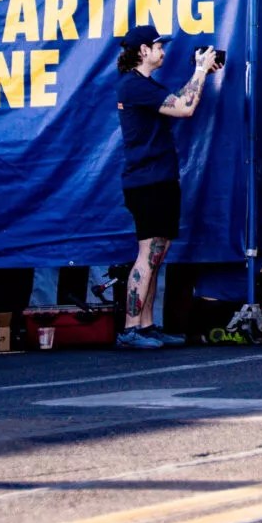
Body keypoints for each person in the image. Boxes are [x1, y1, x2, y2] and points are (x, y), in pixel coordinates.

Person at [114, 24, 221, 350]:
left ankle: (145, 326)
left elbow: (178, 100)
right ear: (142, 51)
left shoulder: (143, 85)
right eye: (157, 46)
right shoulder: (133, 86)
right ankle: (131, 329)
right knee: (148, 254)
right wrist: (201, 70)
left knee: (156, 255)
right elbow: (185, 107)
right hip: (148, 182)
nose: (163, 51)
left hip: (158, 179)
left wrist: (199, 72)